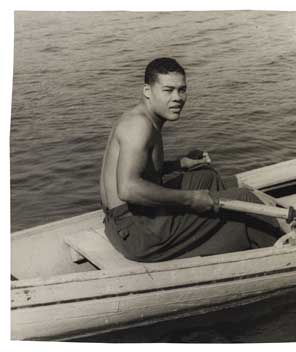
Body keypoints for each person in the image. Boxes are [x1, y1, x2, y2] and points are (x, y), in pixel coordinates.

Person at [100, 57, 285, 262]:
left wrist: (181, 164)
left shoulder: (138, 117)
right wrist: (192, 199)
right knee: (244, 198)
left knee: (205, 177)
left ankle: (227, 229)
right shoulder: (139, 126)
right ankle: (283, 256)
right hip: (137, 233)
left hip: (121, 224)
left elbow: (143, 169)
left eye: (182, 90)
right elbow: (128, 189)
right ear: (147, 91)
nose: (178, 97)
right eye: (168, 90)